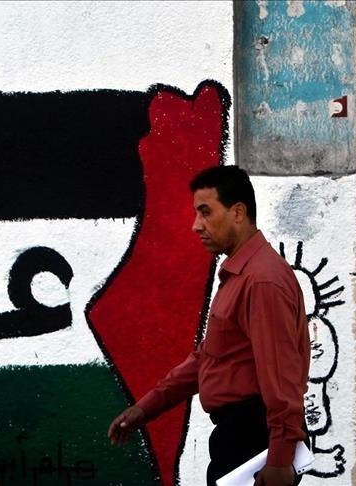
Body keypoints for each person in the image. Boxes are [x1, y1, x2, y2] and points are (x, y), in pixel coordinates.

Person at [108, 165, 311, 486]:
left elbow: (282, 377)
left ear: (238, 213)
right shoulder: (241, 274)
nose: (196, 225)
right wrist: (145, 409)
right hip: (238, 439)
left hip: (253, 442)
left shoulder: (261, 280)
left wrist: (279, 460)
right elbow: (208, 357)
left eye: (205, 212)